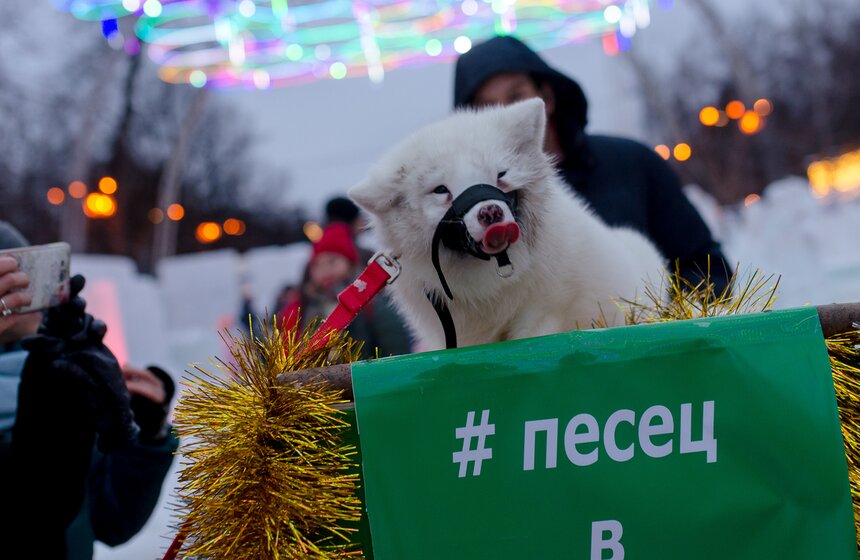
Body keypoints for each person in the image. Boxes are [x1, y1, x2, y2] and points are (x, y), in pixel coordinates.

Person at [454, 35, 732, 293]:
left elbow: (709, 270)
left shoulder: (633, 164)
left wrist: (656, 320)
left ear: (547, 98)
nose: (505, 115)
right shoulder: (466, 216)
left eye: (516, 96)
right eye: (486, 107)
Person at [0, 222, 179, 559]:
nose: (22, 294)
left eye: (28, 272)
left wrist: (148, 434)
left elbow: (111, 519)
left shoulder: (58, 371)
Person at [278, 222, 412, 359]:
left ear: (350, 264)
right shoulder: (301, 309)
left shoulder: (371, 305)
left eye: (332, 261)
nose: (324, 270)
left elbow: (396, 351)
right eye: (317, 264)